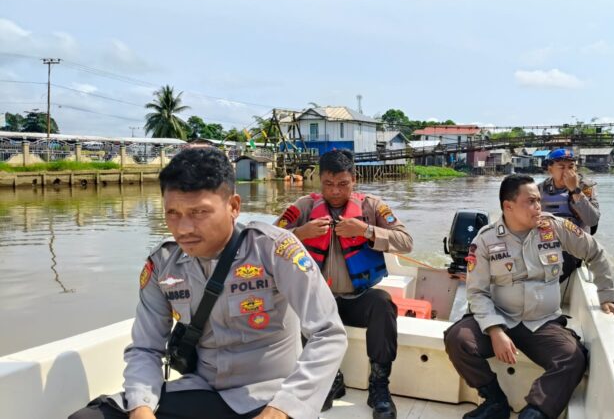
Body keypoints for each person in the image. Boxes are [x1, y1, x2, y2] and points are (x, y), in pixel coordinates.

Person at [69, 147, 347, 419]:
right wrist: (141, 407)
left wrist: (285, 408)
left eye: (199, 212)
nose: (183, 228)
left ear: (234, 207)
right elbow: (146, 348)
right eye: (172, 213)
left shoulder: (274, 250)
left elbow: (328, 334)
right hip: (203, 391)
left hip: (269, 396)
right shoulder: (161, 264)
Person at [444, 174, 614, 419]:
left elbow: (596, 253)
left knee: (573, 357)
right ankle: (494, 402)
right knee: (458, 339)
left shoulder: (555, 227)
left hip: (542, 322)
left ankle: (535, 412)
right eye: (531, 201)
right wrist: (495, 331)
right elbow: (477, 292)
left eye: (539, 200)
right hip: (501, 317)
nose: (539, 207)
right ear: (508, 206)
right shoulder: (485, 240)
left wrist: (607, 296)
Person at [274, 149, 413, 419]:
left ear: (354, 179)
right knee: (299, 302)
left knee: (383, 303)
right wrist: (300, 233)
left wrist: (366, 230)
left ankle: (379, 387)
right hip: (320, 299)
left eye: (342, 184)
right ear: (319, 180)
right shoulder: (303, 207)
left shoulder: (372, 206)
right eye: (328, 184)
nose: (335, 191)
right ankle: (331, 381)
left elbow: (406, 242)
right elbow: (268, 240)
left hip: (357, 297)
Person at [537, 148, 600, 282]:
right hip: (547, 241)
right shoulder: (539, 190)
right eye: (561, 167)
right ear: (550, 169)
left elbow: (592, 220)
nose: (567, 172)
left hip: (576, 244)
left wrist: (575, 190)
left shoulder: (585, 187)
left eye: (571, 167)